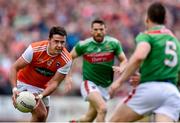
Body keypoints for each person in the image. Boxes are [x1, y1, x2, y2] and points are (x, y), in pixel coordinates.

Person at [108, 2, 180, 122]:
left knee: (114, 121)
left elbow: (139, 56)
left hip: (150, 89)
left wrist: (119, 82)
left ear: (147, 19)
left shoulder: (148, 36)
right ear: (165, 20)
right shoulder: (175, 42)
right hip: (171, 92)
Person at [68, 19, 127, 122]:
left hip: (105, 86)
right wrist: (68, 76)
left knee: (89, 118)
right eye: (95, 29)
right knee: (103, 109)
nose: (98, 32)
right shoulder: (83, 45)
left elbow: (124, 60)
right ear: (91, 31)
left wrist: (122, 67)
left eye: (101, 29)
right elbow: (69, 58)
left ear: (105, 30)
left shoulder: (114, 43)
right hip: (89, 83)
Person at [9, 26, 72, 122]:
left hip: (42, 88)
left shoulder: (66, 59)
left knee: (42, 119)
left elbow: (55, 83)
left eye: (62, 42)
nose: (59, 45)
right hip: (24, 82)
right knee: (41, 114)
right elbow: (14, 67)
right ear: (49, 40)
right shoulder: (35, 49)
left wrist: (41, 95)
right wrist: (14, 89)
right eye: (56, 41)